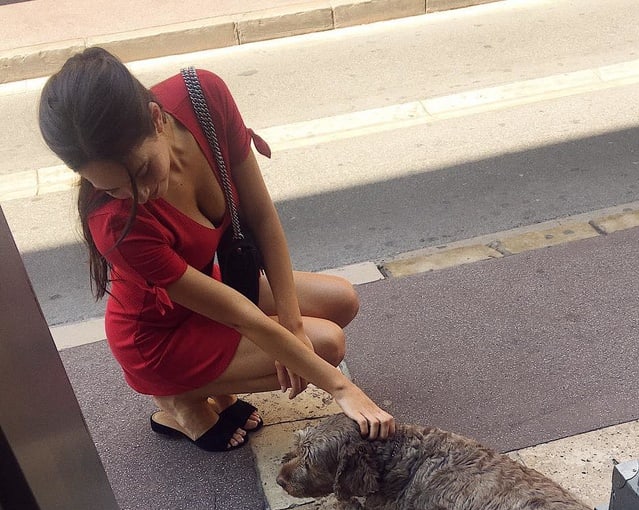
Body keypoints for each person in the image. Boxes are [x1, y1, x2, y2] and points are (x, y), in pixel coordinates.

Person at [39, 47, 394, 450]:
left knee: (341, 300)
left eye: (142, 171)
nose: (139, 195)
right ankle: (179, 397)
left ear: (156, 119)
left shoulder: (202, 96)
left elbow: (262, 219)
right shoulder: (113, 222)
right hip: (157, 338)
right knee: (327, 345)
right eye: (112, 188)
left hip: (210, 289)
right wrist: (342, 388)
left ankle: (214, 384)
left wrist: (292, 327)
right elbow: (240, 315)